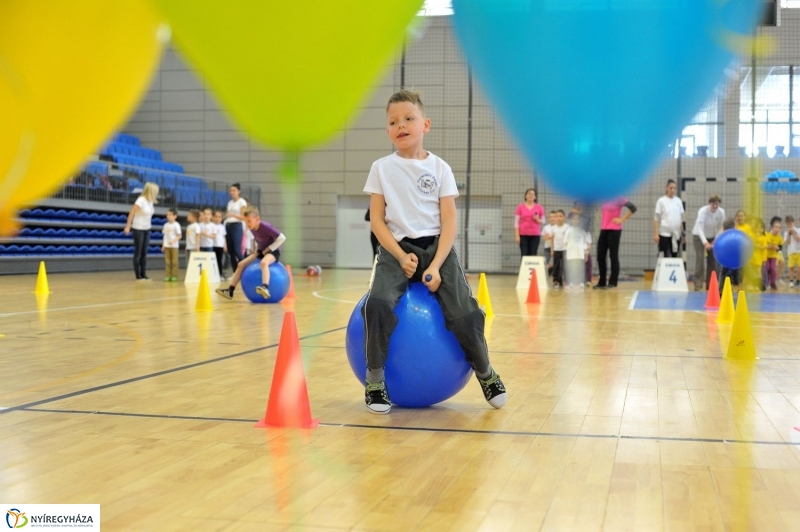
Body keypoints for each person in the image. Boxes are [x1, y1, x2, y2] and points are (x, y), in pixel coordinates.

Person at [362, 89, 506, 415]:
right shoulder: (381, 168)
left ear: (425, 124)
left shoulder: (440, 168)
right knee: (377, 305)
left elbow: (450, 220)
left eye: (409, 119)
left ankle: (486, 372)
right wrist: (400, 256)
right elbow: (378, 221)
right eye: (393, 122)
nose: (401, 125)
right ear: (387, 131)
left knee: (467, 312)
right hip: (396, 250)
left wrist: (437, 265)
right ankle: (374, 381)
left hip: (437, 248)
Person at [216, 206, 285, 300]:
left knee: (264, 263)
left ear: (257, 219)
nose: (247, 224)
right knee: (240, 264)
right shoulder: (252, 227)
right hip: (261, 251)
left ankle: (265, 287)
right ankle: (230, 290)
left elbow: (282, 238)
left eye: (249, 221)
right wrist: (257, 250)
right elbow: (261, 240)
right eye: (245, 221)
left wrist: (267, 250)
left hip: (273, 251)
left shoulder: (266, 226)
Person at [594, 197, 636, 289]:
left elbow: (633, 208)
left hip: (615, 230)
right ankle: (602, 282)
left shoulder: (619, 198)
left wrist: (622, 219)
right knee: (600, 256)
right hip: (604, 229)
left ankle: (613, 282)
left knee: (613, 256)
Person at [124, 182, 159, 281]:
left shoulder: (150, 201)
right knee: (138, 252)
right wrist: (128, 226)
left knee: (144, 252)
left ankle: (144, 274)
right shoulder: (141, 200)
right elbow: (132, 212)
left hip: (147, 228)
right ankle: (138, 275)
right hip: (138, 228)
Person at [691, 194, 725, 291]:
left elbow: (720, 228)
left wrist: (715, 240)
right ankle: (698, 284)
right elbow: (700, 229)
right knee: (700, 260)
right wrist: (705, 243)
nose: (715, 206)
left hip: (712, 237)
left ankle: (710, 285)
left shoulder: (721, 212)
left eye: (717, 204)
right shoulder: (703, 211)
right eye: (713, 204)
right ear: (709, 203)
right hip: (698, 236)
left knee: (712, 262)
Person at [653, 179, 684, 258]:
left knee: (674, 255)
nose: (673, 190)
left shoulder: (678, 201)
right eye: (671, 188)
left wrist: (683, 233)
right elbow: (656, 219)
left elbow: (680, 218)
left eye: (674, 188)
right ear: (666, 188)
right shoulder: (661, 201)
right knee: (663, 255)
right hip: (664, 233)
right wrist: (656, 234)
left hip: (676, 233)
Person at [514, 188, 545, 258]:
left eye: (533, 194)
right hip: (523, 235)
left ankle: (532, 269)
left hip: (535, 235)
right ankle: (524, 269)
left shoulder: (539, 207)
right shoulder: (520, 207)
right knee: (524, 254)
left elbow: (543, 221)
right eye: (529, 193)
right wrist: (517, 235)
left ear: (535, 197)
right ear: (526, 196)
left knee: (533, 254)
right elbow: (516, 222)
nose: (531, 195)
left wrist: (537, 219)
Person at [225, 183, 248, 273]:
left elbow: (244, 216)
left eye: (234, 190)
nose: (232, 192)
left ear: (239, 191)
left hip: (237, 226)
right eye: (230, 190)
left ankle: (245, 269)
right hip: (228, 226)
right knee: (230, 251)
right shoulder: (230, 203)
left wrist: (233, 215)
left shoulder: (242, 202)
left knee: (237, 250)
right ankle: (236, 272)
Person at [563, 213, 590, 290]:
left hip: (580, 254)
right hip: (571, 254)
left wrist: (586, 253)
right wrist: (566, 253)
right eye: (574, 219)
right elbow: (565, 242)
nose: (575, 220)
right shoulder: (568, 230)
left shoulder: (582, 231)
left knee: (580, 269)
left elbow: (584, 243)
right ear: (571, 220)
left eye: (577, 219)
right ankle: (571, 282)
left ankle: (581, 282)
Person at [161, 208, 181, 282]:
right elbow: (165, 236)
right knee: (168, 262)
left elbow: (179, 235)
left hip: (174, 246)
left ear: (175, 216)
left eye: (170, 215)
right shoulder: (165, 225)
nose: (168, 216)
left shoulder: (176, 225)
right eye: (167, 215)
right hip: (167, 246)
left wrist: (173, 240)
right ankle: (168, 275)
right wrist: (163, 245)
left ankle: (174, 275)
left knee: (174, 262)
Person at [765, 217, 784, 290]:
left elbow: (779, 248)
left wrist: (776, 248)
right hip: (766, 255)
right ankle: (766, 282)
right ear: (772, 227)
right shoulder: (768, 235)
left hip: (773, 256)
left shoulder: (779, 238)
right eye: (776, 227)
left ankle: (773, 283)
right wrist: (772, 246)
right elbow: (766, 245)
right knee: (767, 268)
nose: (777, 229)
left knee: (772, 268)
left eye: (779, 228)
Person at [550, 210, 568, 288]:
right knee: (556, 265)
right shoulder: (553, 228)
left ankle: (566, 281)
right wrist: (552, 249)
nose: (558, 218)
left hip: (565, 249)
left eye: (560, 216)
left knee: (565, 266)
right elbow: (552, 239)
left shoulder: (567, 227)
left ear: (564, 217)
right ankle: (556, 281)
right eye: (557, 216)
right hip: (557, 250)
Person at [785, 215, 800, 288]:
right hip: (791, 252)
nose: (789, 226)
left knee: (799, 268)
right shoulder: (786, 232)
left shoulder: (798, 230)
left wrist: (793, 232)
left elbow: (798, 239)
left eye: (791, 224)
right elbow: (787, 242)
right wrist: (788, 234)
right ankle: (791, 281)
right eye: (788, 224)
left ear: (793, 223)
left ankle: (798, 281)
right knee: (791, 268)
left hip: (799, 252)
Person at [213, 210, 227, 279]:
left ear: (221, 218)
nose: (217, 218)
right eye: (216, 216)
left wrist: (225, 245)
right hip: (213, 245)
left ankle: (220, 274)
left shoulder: (222, 226)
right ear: (213, 217)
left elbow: (223, 236)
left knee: (219, 260)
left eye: (219, 217)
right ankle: (213, 274)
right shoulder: (211, 225)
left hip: (220, 245)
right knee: (213, 260)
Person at [542, 211, 556, 277]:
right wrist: (549, 237)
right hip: (547, 247)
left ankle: (556, 277)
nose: (552, 218)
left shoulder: (557, 227)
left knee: (557, 263)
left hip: (556, 248)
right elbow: (544, 237)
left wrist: (550, 237)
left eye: (553, 217)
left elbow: (555, 237)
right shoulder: (546, 227)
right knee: (544, 262)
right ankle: (545, 276)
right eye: (550, 217)